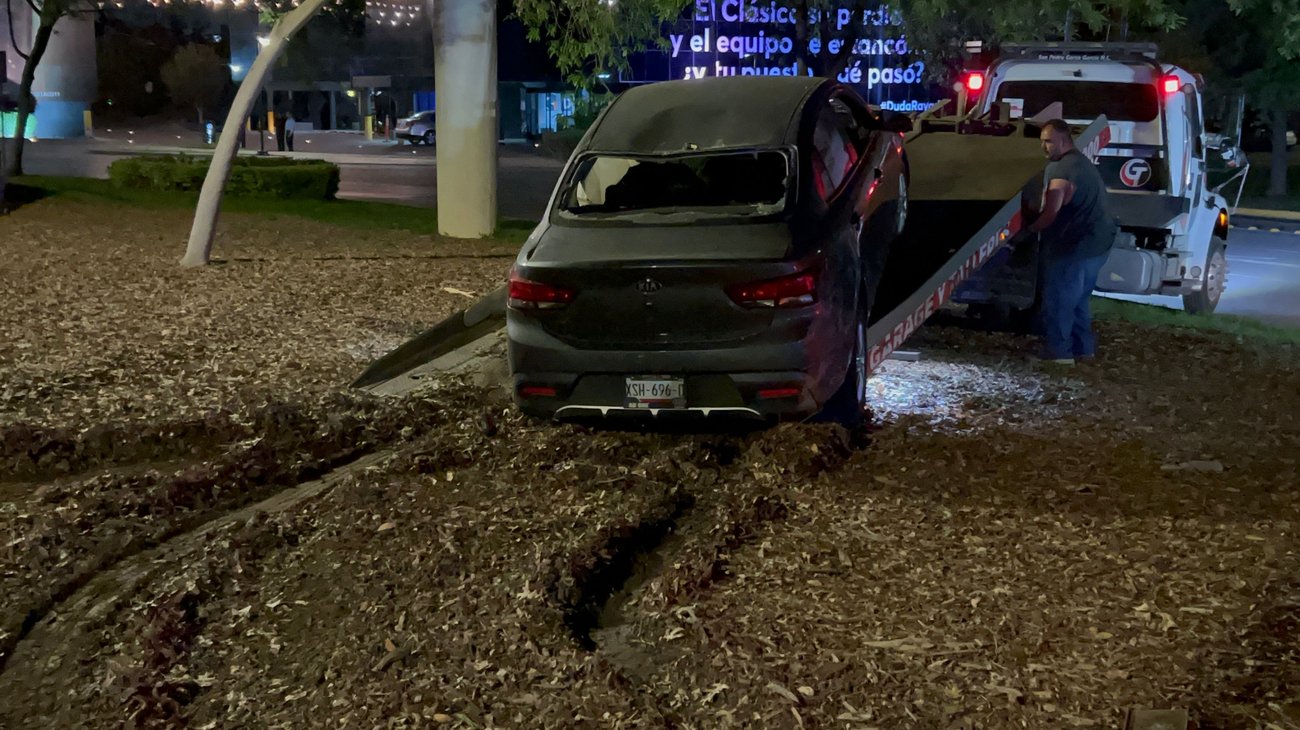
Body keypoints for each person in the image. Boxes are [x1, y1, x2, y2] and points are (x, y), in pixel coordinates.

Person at [1026, 118, 1117, 365]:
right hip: (1098, 243)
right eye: (1042, 141)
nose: (1044, 147)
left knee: (1059, 300)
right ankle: (1083, 350)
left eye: (1048, 142)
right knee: (1078, 300)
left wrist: (1030, 230)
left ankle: (1059, 353)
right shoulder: (1082, 163)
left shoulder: (1060, 169)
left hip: (1074, 245)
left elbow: (1051, 211)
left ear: (1063, 140)